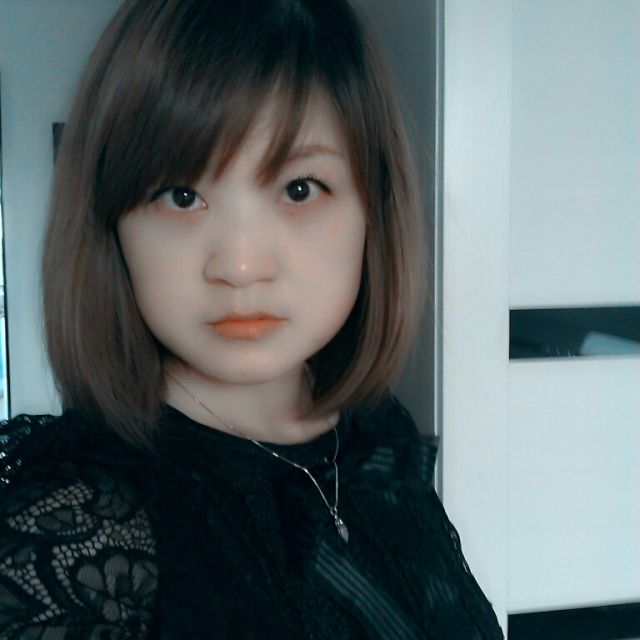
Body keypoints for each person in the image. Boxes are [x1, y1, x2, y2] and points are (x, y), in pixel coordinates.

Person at [0, 0, 504, 638]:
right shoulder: (81, 528)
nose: (239, 267)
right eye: (182, 195)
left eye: (299, 188)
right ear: (112, 223)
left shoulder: (374, 434)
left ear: (372, 207)